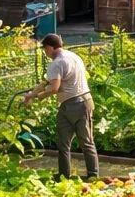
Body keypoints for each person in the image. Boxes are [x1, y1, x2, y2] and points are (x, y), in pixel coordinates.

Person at [22, 33, 98, 179]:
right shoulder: (73, 57)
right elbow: (46, 83)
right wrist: (30, 95)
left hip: (73, 105)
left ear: (50, 47)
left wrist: (40, 97)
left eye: (45, 49)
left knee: (68, 143)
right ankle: (80, 176)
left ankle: (85, 176)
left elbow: (54, 88)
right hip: (82, 102)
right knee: (84, 142)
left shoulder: (56, 63)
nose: (45, 53)